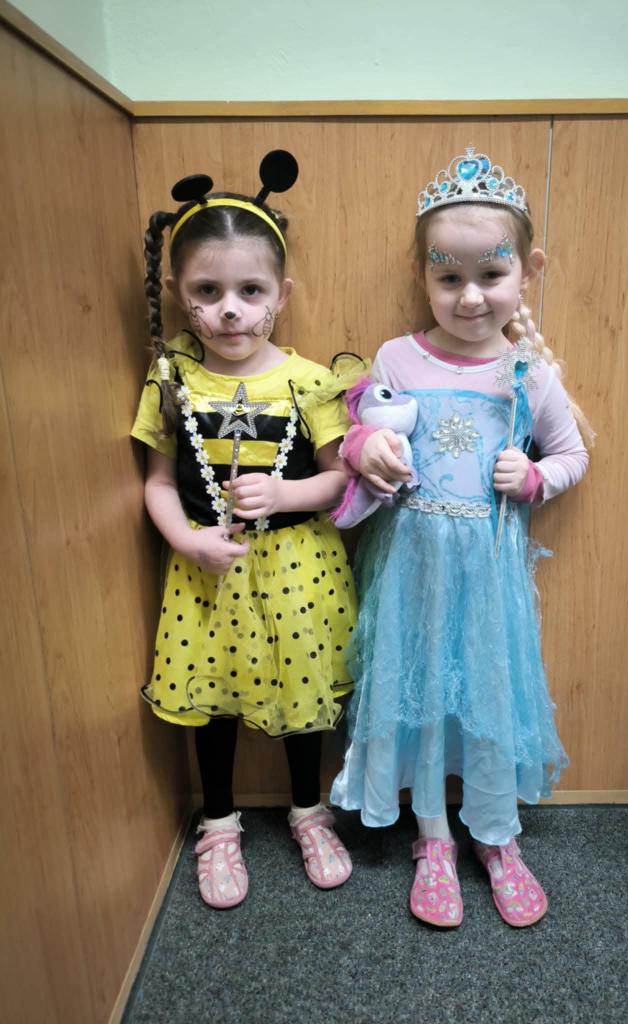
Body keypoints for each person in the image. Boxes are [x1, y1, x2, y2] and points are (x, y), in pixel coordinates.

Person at [330, 146, 591, 928]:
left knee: (485, 698)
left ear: (528, 272)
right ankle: (433, 836)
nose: (470, 296)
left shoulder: (527, 373)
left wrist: (536, 478)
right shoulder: (397, 357)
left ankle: (496, 834)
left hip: (487, 577)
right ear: (421, 274)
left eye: (492, 274)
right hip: (411, 571)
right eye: (448, 278)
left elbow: (574, 454)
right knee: (419, 699)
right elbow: (358, 432)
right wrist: (365, 449)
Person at [131, 153, 356, 908]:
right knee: (213, 697)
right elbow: (158, 483)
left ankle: (308, 810)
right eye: (208, 292)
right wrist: (186, 540)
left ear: (281, 295)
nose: (230, 311)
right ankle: (219, 822)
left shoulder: (310, 380)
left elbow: (340, 478)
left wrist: (287, 490)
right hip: (206, 569)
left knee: (304, 691)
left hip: (299, 565)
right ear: (178, 294)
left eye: (250, 291)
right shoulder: (171, 380)